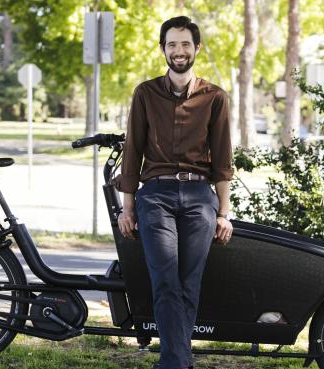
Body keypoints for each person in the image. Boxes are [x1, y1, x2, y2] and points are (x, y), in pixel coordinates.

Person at [115, 16, 234, 369]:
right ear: (163, 49)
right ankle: (177, 362)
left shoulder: (215, 97)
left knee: (188, 281)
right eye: (172, 44)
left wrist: (224, 212)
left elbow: (223, 161)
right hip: (156, 195)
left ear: (196, 48)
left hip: (200, 198)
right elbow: (132, 151)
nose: (178, 51)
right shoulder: (145, 93)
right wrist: (128, 207)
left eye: (185, 44)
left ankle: (174, 362)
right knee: (165, 279)